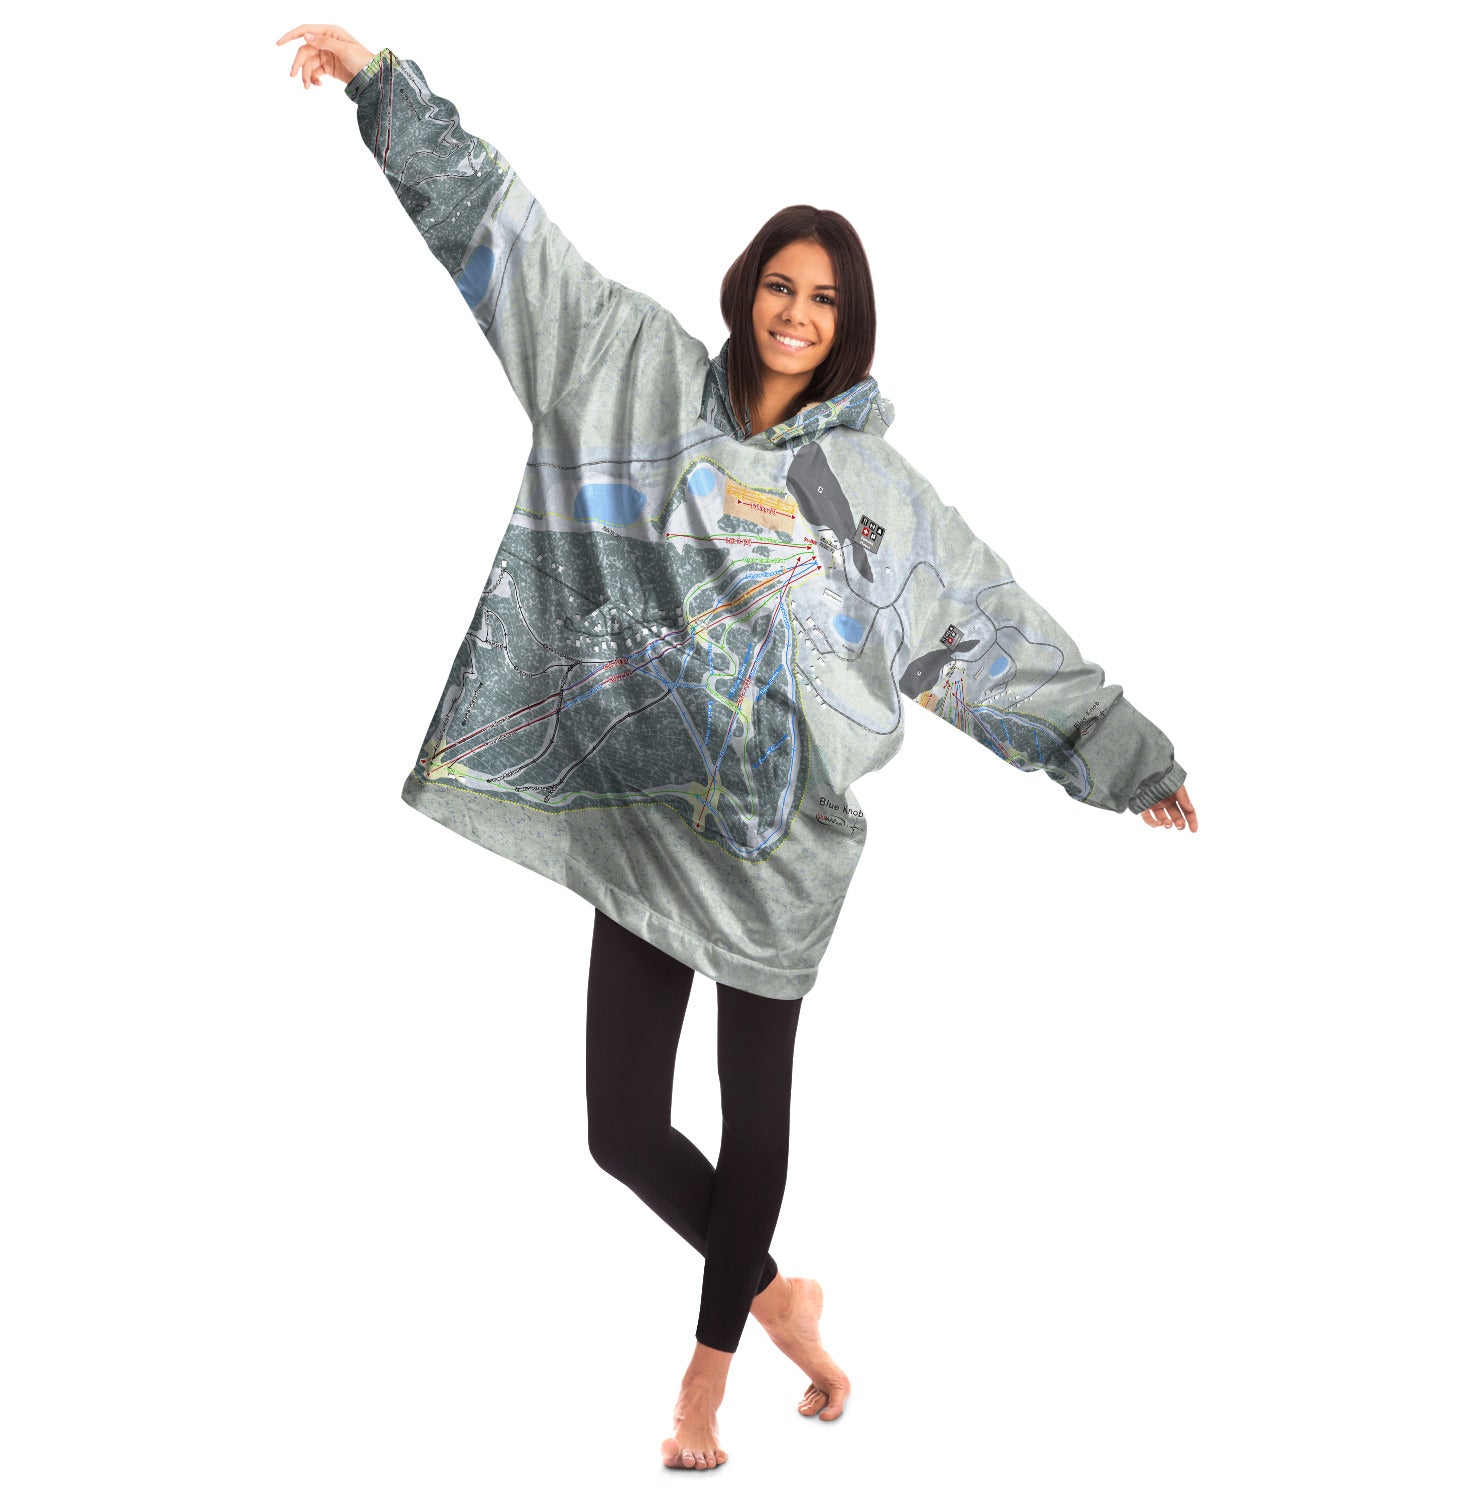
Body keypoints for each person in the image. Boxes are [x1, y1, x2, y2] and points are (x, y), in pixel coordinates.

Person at [278, 24, 1199, 1472]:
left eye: (823, 298)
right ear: (746, 289)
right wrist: (386, 89)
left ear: (849, 323)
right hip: (648, 815)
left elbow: (986, 624)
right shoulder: (627, 366)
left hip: (779, 851)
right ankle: (784, 1301)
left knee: (752, 1117)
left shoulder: (875, 490)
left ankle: (701, 1392)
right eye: (780, 284)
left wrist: (1120, 752)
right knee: (620, 1132)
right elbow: (512, 243)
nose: (795, 312)